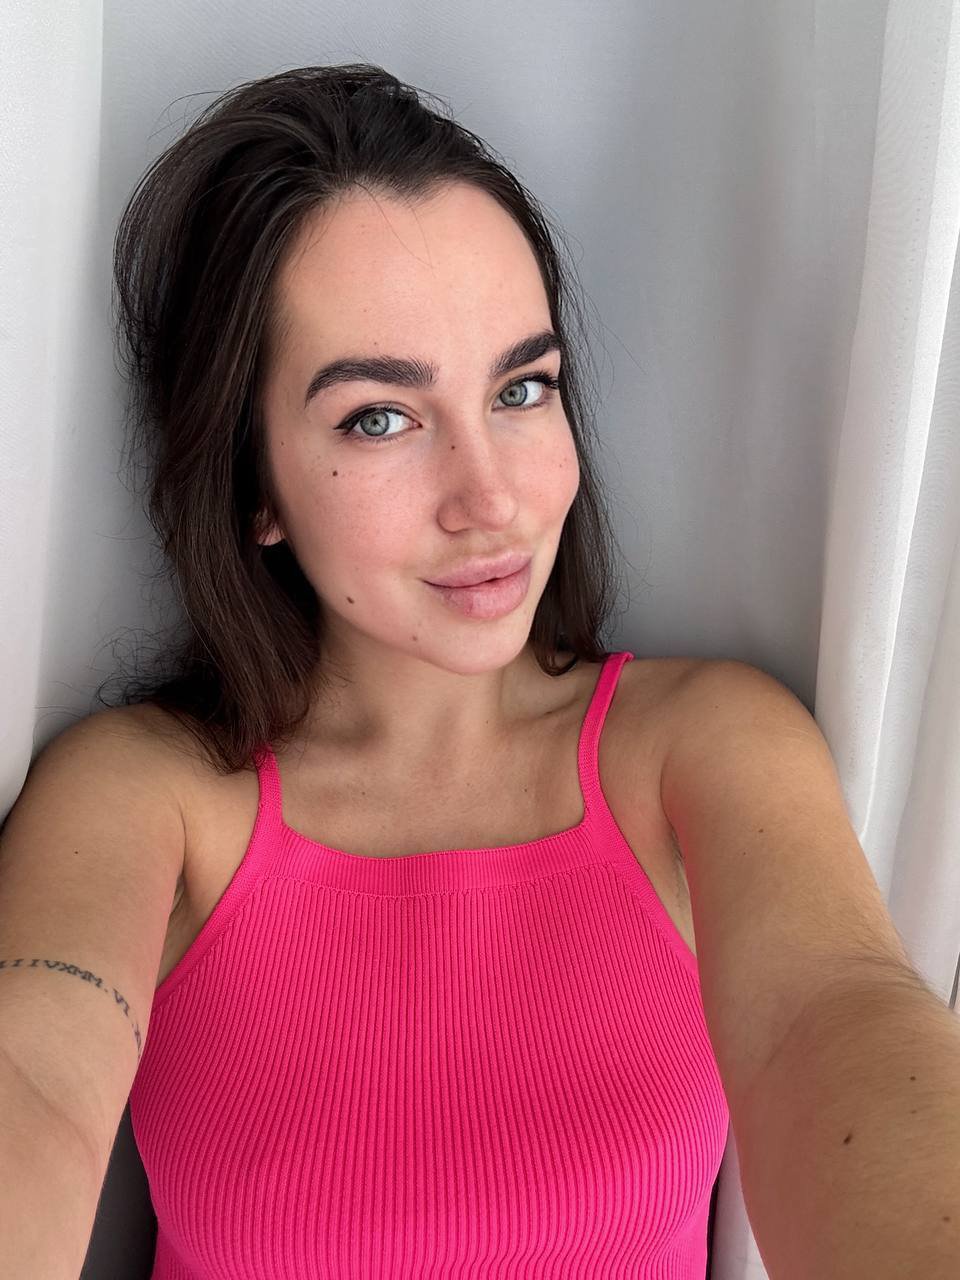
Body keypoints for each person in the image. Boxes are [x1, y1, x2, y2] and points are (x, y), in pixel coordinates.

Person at [5, 62, 949, 1280]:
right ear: (252, 484)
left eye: (521, 387)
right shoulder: (146, 798)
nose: (491, 496)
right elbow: (31, 1069)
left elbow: (839, 1014)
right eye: (380, 417)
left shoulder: (704, 748)